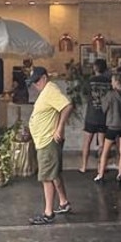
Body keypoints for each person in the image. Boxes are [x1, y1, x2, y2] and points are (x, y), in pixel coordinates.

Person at [27, 67, 73, 224]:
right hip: (44, 141)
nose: (35, 85)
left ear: (45, 78)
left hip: (48, 141)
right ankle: (63, 202)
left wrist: (59, 128)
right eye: (33, 82)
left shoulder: (50, 90)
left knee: (47, 176)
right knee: (54, 174)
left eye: (37, 81)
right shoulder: (46, 91)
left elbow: (67, 106)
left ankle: (48, 213)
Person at [94, 71, 121, 184]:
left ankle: (101, 175)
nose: (111, 83)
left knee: (105, 150)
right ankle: (120, 175)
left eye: (112, 81)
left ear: (117, 82)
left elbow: (104, 108)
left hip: (113, 125)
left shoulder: (111, 94)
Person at [80, 58, 111, 173]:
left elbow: (84, 95)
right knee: (102, 143)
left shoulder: (90, 81)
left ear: (94, 68)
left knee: (87, 142)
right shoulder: (109, 82)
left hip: (91, 115)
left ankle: (84, 166)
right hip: (104, 116)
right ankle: (100, 167)